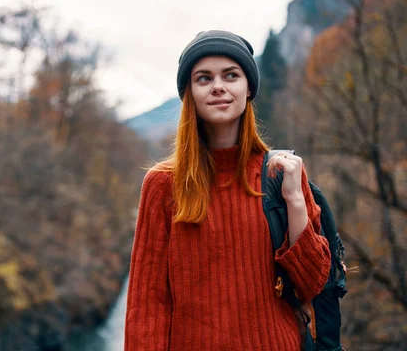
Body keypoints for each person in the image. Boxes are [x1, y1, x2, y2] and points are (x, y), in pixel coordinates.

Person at [123, 30, 331, 350]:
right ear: (189, 93)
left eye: (231, 75)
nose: (218, 86)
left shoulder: (282, 174)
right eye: (203, 78)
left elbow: (312, 284)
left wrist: (295, 201)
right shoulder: (162, 184)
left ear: (248, 88)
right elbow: (147, 305)